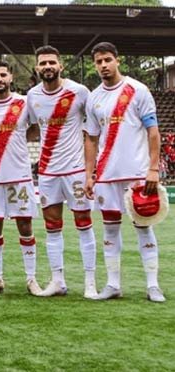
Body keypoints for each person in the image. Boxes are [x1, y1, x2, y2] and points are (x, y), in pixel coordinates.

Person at [84, 42, 165, 302]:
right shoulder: (94, 97)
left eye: (107, 59)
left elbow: (153, 132)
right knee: (109, 229)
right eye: (98, 61)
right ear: (94, 65)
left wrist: (153, 168)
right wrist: (89, 174)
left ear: (117, 60)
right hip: (107, 175)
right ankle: (112, 284)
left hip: (137, 174)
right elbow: (92, 139)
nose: (103, 65)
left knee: (143, 227)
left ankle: (153, 285)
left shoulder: (137, 90)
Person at [25, 45, 98, 299]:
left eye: (51, 63)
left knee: (84, 225)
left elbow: (92, 129)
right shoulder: (32, 96)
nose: (47, 67)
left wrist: (91, 171)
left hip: (75, 171)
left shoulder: (79, 92)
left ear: (60, 65)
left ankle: (90, 282)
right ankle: (58, 280)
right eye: (43, 63)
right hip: (46, 172)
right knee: (52, 227)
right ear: (37, 68)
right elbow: (32, 129)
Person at [0, 61, 42, 296]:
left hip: (19, 175)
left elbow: (36, 129)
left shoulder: (23, 103)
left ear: (11, 77)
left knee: (25, 224)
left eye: (3, 74)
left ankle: (31, 278)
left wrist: (19, 140)